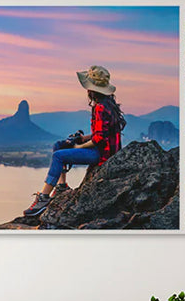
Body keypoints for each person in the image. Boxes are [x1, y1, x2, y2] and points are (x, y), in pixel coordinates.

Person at [23, 65, 125, 217]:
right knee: (59, 146)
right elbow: (103, 132)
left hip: (102, 154)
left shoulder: (100, 108)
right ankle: (61, 186)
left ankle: (43, 199)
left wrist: (80, 145)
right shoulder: (107, 104)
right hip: (105, 149)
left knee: (58, 156)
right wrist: (84, 138)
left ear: (92, 89)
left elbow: (100, 139)